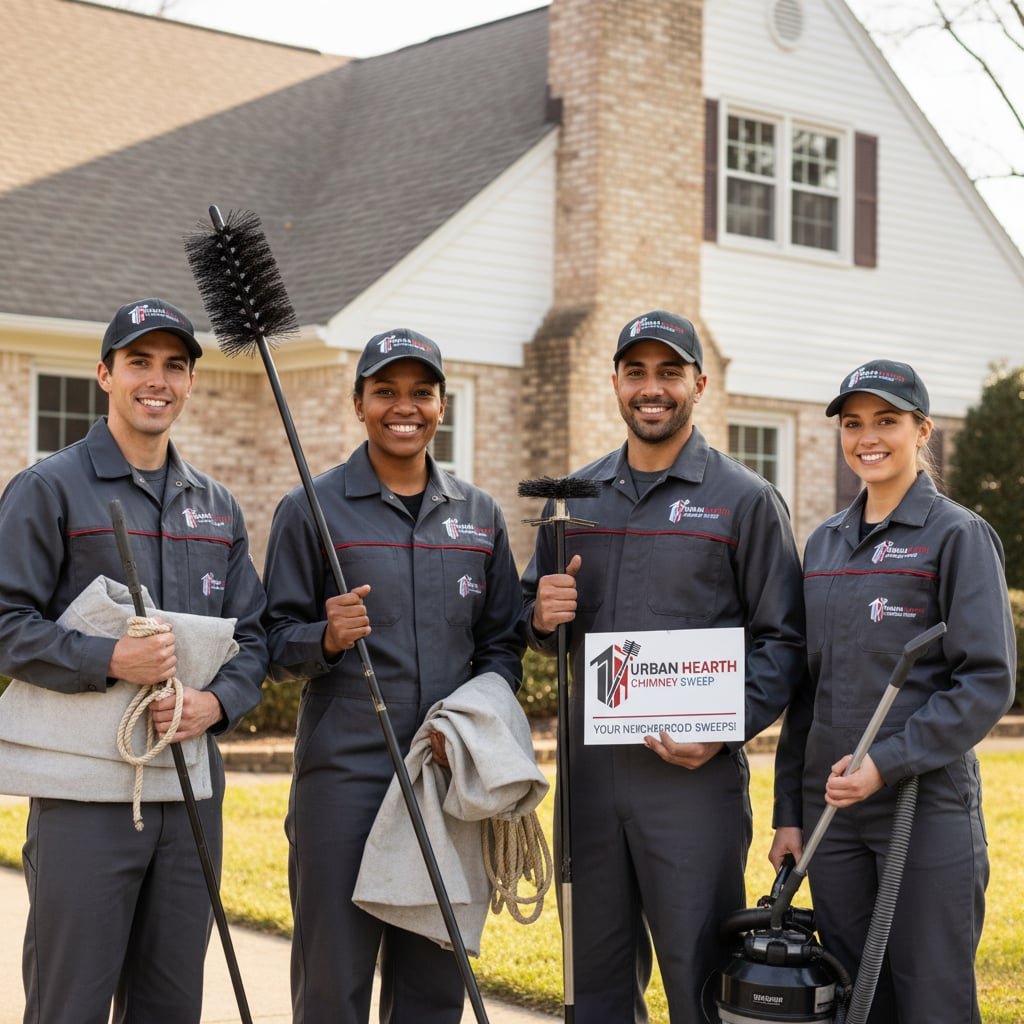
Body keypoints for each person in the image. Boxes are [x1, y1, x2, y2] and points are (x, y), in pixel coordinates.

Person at [519, 310, 806, 1022]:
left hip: (692, 783)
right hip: (589, 781)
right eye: (637, 372)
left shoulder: (745, 500)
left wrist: (723, 728)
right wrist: (538, 614)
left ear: (699, 384)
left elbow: (784, 643)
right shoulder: (572, 501)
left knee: (698, 980)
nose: (653, 388)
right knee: (595, 986)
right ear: (615, 382)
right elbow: (531, 622)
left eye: (670, 372)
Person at [0, 298, 268, 1024]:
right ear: (105, 375)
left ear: (188, 383)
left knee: (171, 1004)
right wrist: (109, 656)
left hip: (191, 799)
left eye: (174, 365)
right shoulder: (47, 489)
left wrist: (220, 704)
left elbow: (256, 635)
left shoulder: (216, 507)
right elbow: (4, 624)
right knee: (70, 1004)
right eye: (139, 362)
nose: (158, 379)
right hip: (84, 798)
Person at [262, 328, 523, 1024]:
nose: (403, 407)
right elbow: (274, 644)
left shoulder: (480, 517)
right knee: (333, 982)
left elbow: (503, 648)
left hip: (442, 779)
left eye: (421, 392)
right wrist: (326, 636)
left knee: (434, 989)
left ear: (441, 405)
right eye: (385, 391)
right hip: (343, 780)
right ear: (358, 403)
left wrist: (471, 728)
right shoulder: (309, 511)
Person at [770, 359, 1015, 1024]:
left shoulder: (957, 536)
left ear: (922, 430)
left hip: (923, 805)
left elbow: (986, 680)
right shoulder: (822, 545)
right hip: (835, 815)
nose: (867, 437)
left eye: (886, 421)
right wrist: (788, 812)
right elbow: (806, 689)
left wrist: (887, 763)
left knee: (930, 993)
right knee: (854, 994)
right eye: (853, 423)